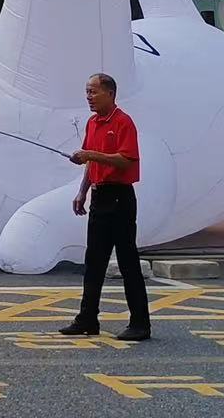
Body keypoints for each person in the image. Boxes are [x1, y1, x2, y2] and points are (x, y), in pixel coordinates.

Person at [59, 73, 151, 342]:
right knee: (94, 262)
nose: (89, 97)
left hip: (120, 198)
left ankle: (140, 323)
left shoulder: (123, 122)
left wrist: (90, 154)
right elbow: (91, 163)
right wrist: (82, 191)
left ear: (110, 93)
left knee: (127, 261)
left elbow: (126, 160)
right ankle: (87, 318)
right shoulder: (92, 122)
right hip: (99, 197)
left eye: (93, 91)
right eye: (87, 92)